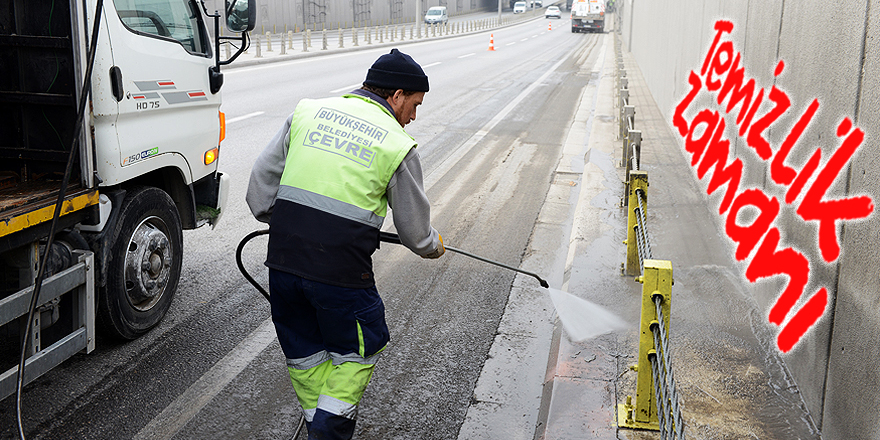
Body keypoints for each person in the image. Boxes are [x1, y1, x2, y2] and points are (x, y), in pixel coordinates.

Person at [246, 48, 445, 440]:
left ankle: (318, 425)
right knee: (362, 348)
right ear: (397, 95)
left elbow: (259, 191)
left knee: (305, 353)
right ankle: (327, 434)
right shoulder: (395, 143)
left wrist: (297, 226)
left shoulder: (307, 112)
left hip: (283, 265)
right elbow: (416, 234)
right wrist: (434, 246)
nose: (414, 116)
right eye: (415, 104)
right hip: (339, 276)